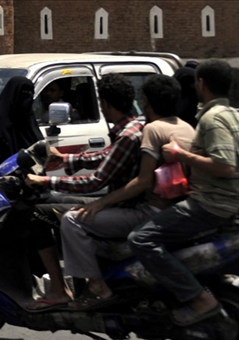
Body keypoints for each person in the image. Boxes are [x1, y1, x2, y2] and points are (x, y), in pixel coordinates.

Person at [128, 60, 239, 326]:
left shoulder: (211, 119)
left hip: (208, 206)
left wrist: (180, 154)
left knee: (141, 239)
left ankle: (198, 298)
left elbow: (224, 165)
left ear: (201, 84)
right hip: (237, 208)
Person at [57, 74, 196, 309]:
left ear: (147, 103)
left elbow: (141, 182)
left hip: (151, 211)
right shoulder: (187, 127)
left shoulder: (151, 129)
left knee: (72, 220)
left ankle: (97, 287)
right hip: (178, 208)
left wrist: (100, 203)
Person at [24, 73, 143, 309]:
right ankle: (67, 284)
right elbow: (106, 157)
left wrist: (43, 181)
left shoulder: (129, 136)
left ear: (106, 105)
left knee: (67, 218)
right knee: (48, 205)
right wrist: (68, 159)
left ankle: (91, 285)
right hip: (124, 202)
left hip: (130, 207)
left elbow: (94, 182)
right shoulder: (134, 126)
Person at [0, 76, 42, 187]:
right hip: (5, 183)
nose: (27, 98)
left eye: (30, 94)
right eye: (24, 94)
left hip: (32, 180)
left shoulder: (29, 120)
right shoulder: (0, 124)